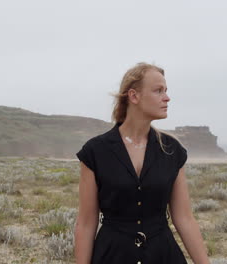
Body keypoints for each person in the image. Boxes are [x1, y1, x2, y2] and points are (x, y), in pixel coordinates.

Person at [74, 62, 211, 264]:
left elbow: (184, 218)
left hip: (163, 255)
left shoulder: (172, 150)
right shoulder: (95, 151)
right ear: (134, 96)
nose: (167, 97)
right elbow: (86, 223)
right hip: (112, 255)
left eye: (166, 90)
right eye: (158, 91)